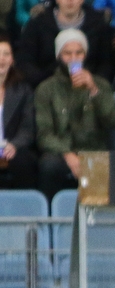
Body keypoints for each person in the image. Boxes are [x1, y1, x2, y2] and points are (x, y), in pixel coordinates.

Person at [35, 29, 115, 201]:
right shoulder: (46, 89)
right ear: (59, 55)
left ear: (85, 55)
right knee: (49, 165)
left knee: (100, 165)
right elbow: (44, 135)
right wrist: (68, 154)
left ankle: (96, 224)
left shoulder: (100, 85)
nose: (73, 58)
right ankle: (51, 222)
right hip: (61, 152)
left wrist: (93, 90)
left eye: (79, 52)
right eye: (67, 53)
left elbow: (114, 120)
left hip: (94, 149)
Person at [16, 0, 114, 88]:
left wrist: (94, 82)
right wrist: (45, 84)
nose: (70, 1)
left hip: (88, 88)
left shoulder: (98, 25)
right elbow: (25, 61)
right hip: (45, 90)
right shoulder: (37, 24)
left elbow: (105, 63)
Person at [0, 34, 38, 190]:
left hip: (13, 147)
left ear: (12, 60)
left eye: (6, 54)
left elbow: (28, 127)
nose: (1, 59)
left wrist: (14, 145)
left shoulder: (23, 91)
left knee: (23, 161)